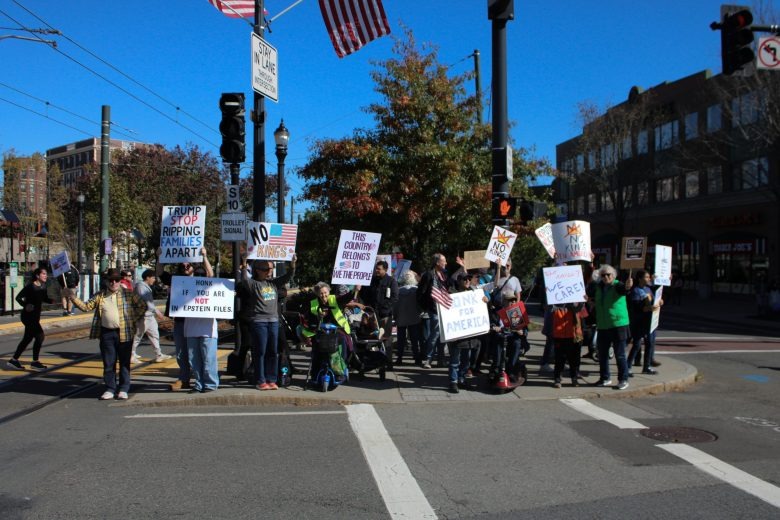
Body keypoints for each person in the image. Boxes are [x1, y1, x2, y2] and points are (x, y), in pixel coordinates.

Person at [67, 268, 147, 400]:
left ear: (120, 281)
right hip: (107, 333)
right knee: (109, 362)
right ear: (107, 281)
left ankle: (123, 388)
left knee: (124, 363)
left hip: (124, 333)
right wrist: (72, 297)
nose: (113, 283)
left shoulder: (128, 294)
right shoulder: (100, 295)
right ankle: (110, 388)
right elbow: (86, 307)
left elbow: (142, 306)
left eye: (116, 280)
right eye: (111, 280)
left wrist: (132, 319)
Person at [236, 255, 296, 391]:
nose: (269, 271)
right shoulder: (254, 284)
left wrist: (292, 264)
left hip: (273, 321)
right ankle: (261, 380)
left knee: (272, 351)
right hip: (259, 322)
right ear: (258, 270)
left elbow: (288, 276)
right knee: (260, 351)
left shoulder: (273, 283)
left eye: (270, 269)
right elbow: (244, 279)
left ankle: (272, 379)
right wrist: (245, 264)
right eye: (266, 269)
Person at [158, 247, 213, 391]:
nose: (185, 267)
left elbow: (210, 275)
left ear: (193, 267)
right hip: (181, 321)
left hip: (196, 322)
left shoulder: (199, 278)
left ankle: (200, 379)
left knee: (197, 353)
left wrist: (205, 257)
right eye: (182, 266)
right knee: (182, 353)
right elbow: (160, 273)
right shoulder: (175, 279)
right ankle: (184, 379)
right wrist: (160, 257)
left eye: (188, 265)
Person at [301, 281, 360, 381]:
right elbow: (310, 321)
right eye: (321, 293)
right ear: (318, 294)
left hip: (338, 329)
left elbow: (346, 298)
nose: (324, 295)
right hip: (320, 331)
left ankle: (340, 370)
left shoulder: (334, 299)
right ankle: (315, 373)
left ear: (329, 292)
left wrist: (355, 290)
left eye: (325, 292)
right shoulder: (313, 303)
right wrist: (319, 317)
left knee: (341, 343)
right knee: (317, 348)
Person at [586, 264, 633, 390]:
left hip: (618, 325)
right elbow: (598, 302)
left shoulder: (617, 286)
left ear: (614, 275)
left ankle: (623, 379)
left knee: (620, 354)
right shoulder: (599, 287)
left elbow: (625, 289)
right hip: (603, 325)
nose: (606, 277)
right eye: (603, 275)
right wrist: (590, 301)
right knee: (602, 354)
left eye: (608, 274)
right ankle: (605, 378)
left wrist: (628, 285)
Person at [7, 268, 54, 370]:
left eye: (46, 274)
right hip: (28, 316)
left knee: (27, 339)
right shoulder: (30, 287)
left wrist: (52, 301)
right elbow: (18, 297)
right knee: (40, 336)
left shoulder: (43, 287)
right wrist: (26, 305)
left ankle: (14, 360)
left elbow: (45, 298)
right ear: (37, 275)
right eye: (44, 274)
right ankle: (35, 362)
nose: (46, 276)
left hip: (35, 316)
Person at [446, 272, 484, 393]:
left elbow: (481, 308)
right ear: (458, 280)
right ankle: (453, 382)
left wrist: (484, 301)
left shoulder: (473, 294)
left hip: (468, 336)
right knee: (454, 360)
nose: (468, 281)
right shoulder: (451, 293)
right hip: (456, 334)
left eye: (469, 279)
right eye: (465, 279)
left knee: (466, 360)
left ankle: (461, 379)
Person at [184, 265, 219, 393]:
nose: (199, 277)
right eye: (196, 274)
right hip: (191, 329)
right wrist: (189, 273)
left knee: (208, 359)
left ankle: (210, 384)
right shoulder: (187, 286)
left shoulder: (211, 287)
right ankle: (198, 384)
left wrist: (204, 257)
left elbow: (211, 275)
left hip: (208, 330)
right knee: (194, 360)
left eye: (201, 274)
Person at [130, 269, 171, 364]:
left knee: (154, 334)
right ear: (147, 278)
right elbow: (145, 302)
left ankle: (158, 354)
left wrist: (155, 312)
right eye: (153, 278)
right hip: (143, 316)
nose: (154, 280)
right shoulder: (141, 287)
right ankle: (131, 355)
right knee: (137, 336)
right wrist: (157, 312)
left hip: (149, 316)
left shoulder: (146, 287)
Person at [417, 253, 451, 369]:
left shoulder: (445, 275)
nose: (446, 263)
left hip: (444, 309)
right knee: (435, 334)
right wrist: (425, 307)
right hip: (433, 309)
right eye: (444, 261)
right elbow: (421, 293)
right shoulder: (428, 275)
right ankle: (428, 358)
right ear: (437, 263)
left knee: (442, 336)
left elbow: (450, 288)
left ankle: (440, 360)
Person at [627, 269, 663, 375]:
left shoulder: (648, 289)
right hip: (639, 321)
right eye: (646, 277)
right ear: (640, 279)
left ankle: (647, 367)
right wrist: (649, 308)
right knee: (637, 344)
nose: (649, 279)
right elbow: (637, 307)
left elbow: (656, 297)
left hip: (650, 321)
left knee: (650, 343)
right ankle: (628, 366)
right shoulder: (636, 291)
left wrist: (660, 302)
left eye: (649, 277)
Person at [358, 260, 399, 347]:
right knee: (373, 338)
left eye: (379, 269)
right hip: (373, 315)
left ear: (385, 270)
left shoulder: (391, 281)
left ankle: (387, 358)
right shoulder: (372, 281)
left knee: (385, 338)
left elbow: (394, 298)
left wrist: (384, 309)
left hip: (385, 316)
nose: (376, 270)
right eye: (376, 269)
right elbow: (365, 295)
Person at [550, 302, 586, 388]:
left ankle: (574, 378)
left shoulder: (577, 303)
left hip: (574, 335)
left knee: (574, 359)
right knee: (559, 359)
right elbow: (549, 309)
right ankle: (557, 379)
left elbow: (583, 314)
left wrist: (582, 301)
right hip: (559, 335)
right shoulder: (555, 303)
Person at [394, 270, 422, 366]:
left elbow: (395, 305)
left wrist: (395, 315)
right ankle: (417, 358)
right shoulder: (416, 290)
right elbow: (419, 305)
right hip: (414, 317)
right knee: (414, 339)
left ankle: (399, 358)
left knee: (401, 339)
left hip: (401, 317)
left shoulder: (399, 290)